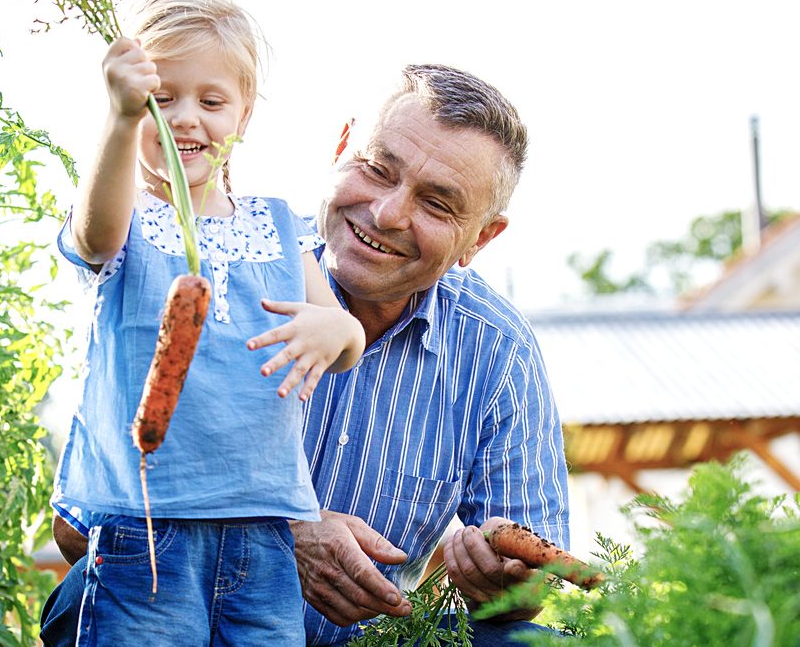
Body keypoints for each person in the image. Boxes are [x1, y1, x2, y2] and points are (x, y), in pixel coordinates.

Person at [42, 62, 570, 647]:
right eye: (377, 169)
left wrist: (500, 576)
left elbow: (538, 583)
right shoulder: (221, 263)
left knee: (528, 643)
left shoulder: (498, 350)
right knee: (87, 597)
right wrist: (278, 533)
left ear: (481, 238)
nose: (389, 214)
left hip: (375, 638)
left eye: (438, 205)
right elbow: (75, 532)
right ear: (342, 147)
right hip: (193, 617)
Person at [51, 0, 365, 646]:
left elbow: (347, 336)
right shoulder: (128, 220)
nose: (184, 118)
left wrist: (332, 329)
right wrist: (118, 119)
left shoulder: (278, 227)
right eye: (160, 101)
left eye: (211, 100)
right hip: (147, 527)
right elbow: (93, 238)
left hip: (265, 528)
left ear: (244, 115)